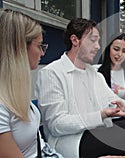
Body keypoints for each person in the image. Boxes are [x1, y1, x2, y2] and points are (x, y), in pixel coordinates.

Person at [35, 18, 125, 158]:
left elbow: (116, 102)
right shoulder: (52, 73)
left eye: (98, 41)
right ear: (75, 40)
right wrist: (101, 115)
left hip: (98, 132)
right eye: (93, 40)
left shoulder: (94, 74)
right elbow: (56, 125)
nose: (98, 47)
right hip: (72, 142)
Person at [0, 9, 62, 158]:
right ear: (19, 48)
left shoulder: (13, 91)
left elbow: (41, 147)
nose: (42, 53)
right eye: (40, 45)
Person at [98, 33, 125, 102]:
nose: (119, 54)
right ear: (108, 48)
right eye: (116, 49)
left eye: (124, 51)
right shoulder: (96, 71)